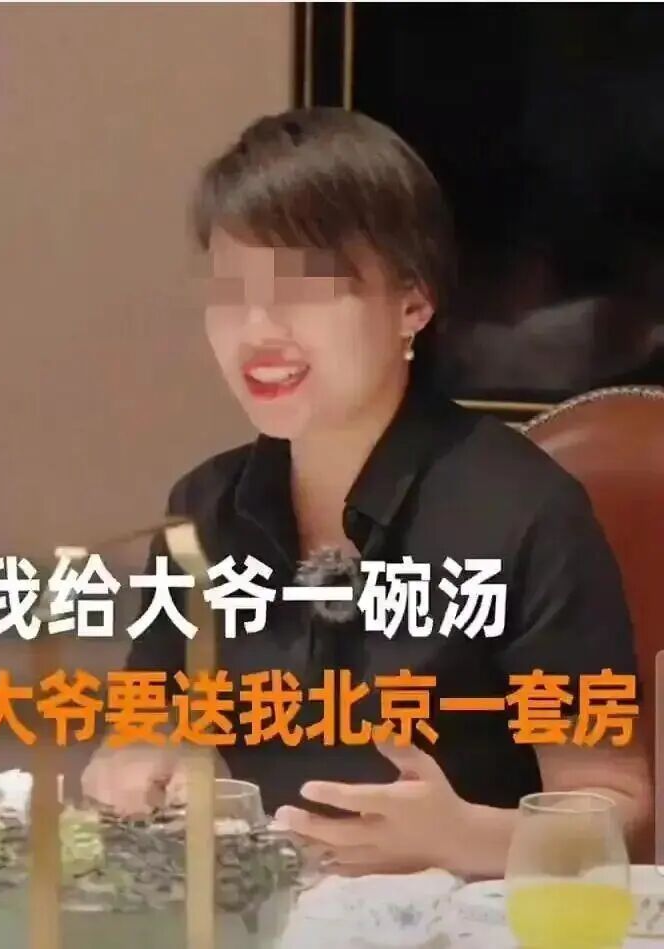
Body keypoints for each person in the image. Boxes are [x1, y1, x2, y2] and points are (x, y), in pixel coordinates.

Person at [82, 108, 651, 878]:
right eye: (231, 291)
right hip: (269, 912)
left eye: (307, 289)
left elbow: (620, 809)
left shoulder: (525, 513)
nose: (258, 330)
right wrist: (136, 764)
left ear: (413, 303)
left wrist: (464, 836)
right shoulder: (206, 507)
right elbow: (142, 725)